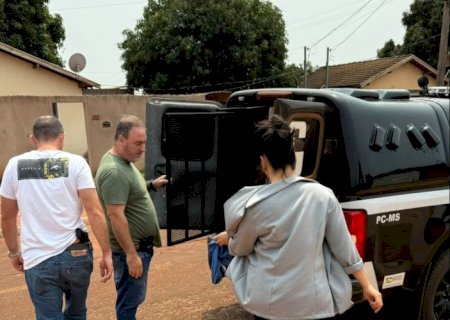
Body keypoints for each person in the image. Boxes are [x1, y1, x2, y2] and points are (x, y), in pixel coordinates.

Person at [214, 115, 383, 320]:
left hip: (269, 306)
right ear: (293, 155)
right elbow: (344, 248)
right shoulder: (323, 196)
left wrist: (229, 239)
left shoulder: (255, 204)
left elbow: (241, 248)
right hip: (314, 305)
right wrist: (367, 286)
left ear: (263, 161)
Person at [0, 115, 113, 320]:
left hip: (37, 258)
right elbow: (95, 212)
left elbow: (7, 217)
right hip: (76, 254)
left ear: (33, 139)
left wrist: (14, 252)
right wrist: (106, 252)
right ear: (62, 138)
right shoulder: (77, 163)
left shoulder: (14, 165)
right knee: (77, 313)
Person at [95, 114, 167, 320]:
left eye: (144, 142)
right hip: (131, 251)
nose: (142, 148)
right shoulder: (114, 171)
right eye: (137, 143)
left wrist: (151, 185)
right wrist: (132, 255)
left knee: (131, 301)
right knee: (128, 305)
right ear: (120, 140)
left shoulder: (123, 162)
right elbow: (115, 215)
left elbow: (127, 192)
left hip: (138, 248)